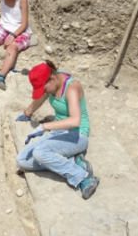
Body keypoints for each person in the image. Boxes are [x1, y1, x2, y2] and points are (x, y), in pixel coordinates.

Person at [15, 60, 100, 200]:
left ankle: (83, 177)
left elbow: (75, 120)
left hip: (77, 134)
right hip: (58, 132)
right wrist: (27, 113)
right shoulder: (53, 81)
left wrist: (44, 126)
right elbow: (41, 98)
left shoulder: (71, 87)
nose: (44, 92)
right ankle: (71, 161)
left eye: (44, 88)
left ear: (52, 78)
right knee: (21, 160)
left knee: (39, 152)